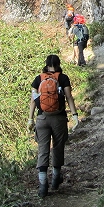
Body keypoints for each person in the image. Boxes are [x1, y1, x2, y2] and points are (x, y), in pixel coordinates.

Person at [27, 54, 79, 198]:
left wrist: (30, 119)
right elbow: (69, 97)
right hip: (59, 118)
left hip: (42, 118)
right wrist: (74, 116)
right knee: (58, 147)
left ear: (46, 64)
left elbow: (33, 101)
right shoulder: (63, 78)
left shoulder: (38, 79)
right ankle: (56, 179)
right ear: (58, 64)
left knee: (43, 149)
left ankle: (43, 185)